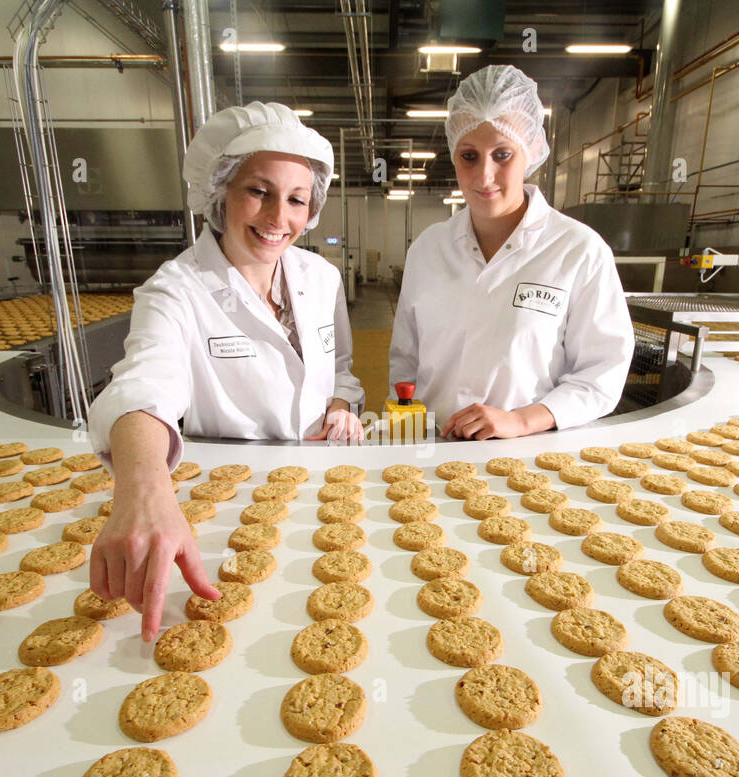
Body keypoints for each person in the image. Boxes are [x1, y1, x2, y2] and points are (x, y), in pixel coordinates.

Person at [87, 102, 365, 641]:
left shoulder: (321, 277)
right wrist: (143, 488)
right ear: (220, 190)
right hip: (228, 516)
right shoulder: (176, 289)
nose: (278, 218)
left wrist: (339, 406)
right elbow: (142, 387)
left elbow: (343, 371)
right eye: (258, 191)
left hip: (321, 499)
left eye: (297, 200)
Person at [389, 64, 634, 440]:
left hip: (527, 457)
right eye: (469, 156)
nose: (484, 176)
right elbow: (405, 364)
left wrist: (521, 420)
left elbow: (602, 373)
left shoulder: (577, 251)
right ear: (454, 155)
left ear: (531, 151)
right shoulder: (427, 249)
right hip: (432, 452)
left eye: (502, 154)